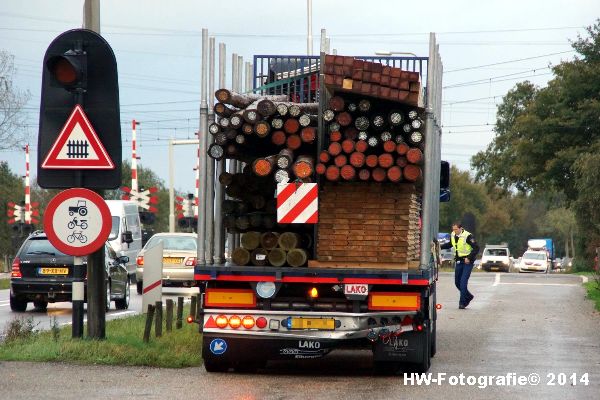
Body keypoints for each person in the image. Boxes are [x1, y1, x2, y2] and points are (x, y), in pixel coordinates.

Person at [440, 222, 480, 309]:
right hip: (459, 261)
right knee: (457, 282)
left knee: (463, 282)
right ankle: (469, 296)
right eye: (453, 229)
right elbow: (450, 244)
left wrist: (469, 258)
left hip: (467, 262)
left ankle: (462, 303)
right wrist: (440, 247)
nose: (454, 231)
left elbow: (476, 248)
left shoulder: (468, 236)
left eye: (456, 229)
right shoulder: (453, 234)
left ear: (461, 228)